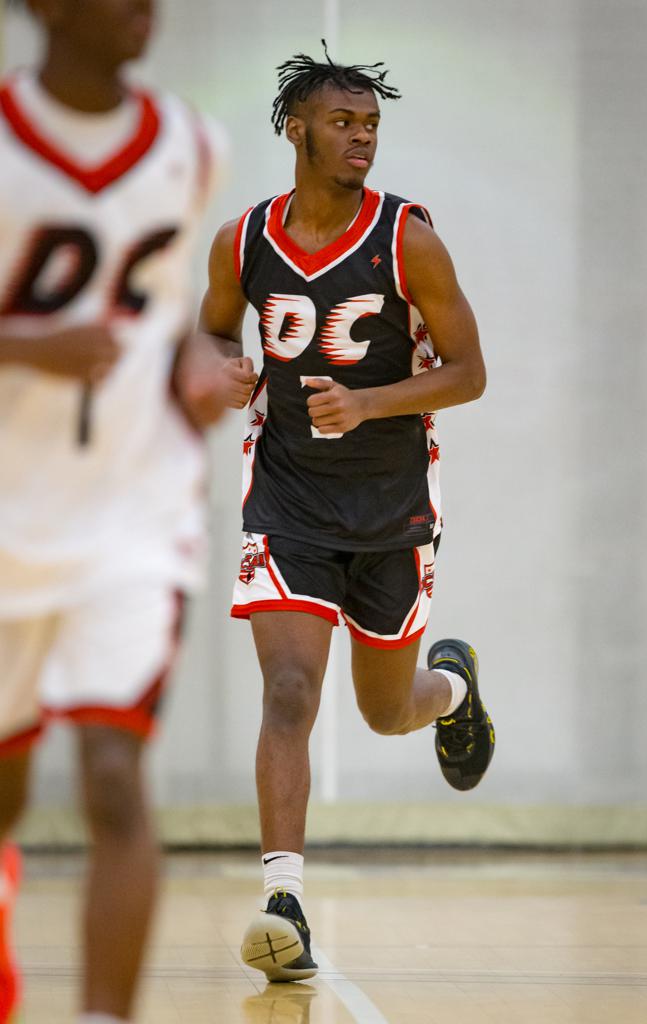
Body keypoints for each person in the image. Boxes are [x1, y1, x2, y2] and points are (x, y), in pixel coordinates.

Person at [200, 45, 495, 982]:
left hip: (390, 505)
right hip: (286, 497)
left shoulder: (408, 237)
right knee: (289, 692)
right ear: (295, 129)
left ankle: (453, 690)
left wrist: (370, 401)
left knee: (383, 711)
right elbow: (211, 327)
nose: (361, 136)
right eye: (342, 122)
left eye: (370, 124)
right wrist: (221, 364)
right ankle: (283, 900)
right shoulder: (243, 241)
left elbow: (470, 373)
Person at [0, 1, 239, 1021]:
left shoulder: (191, 146)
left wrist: (196, 363)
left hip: (136, 511)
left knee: (112, 773)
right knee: (6, 795)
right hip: (10, 513)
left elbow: (173, 313)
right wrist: (24, 344)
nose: (146, 6)